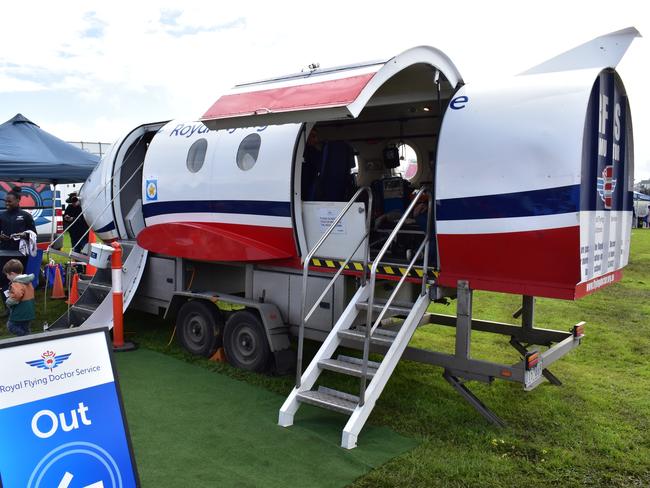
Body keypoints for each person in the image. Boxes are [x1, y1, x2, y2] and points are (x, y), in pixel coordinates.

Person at [0, 188, 37, 317]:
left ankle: (21, 307)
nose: (7, 204)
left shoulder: (26, 215)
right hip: (3, 252)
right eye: (6, 202)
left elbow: (33, 234)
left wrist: (24, 235)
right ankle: (8, 306)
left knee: (19, 280)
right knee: (4, 280)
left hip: (20, 254)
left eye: (9, 201)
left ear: (18, 200)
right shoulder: (1, 215)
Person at [3, 258, 35, 336]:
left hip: (20, 312)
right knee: (25, 327)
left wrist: (9, 301)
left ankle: (26, 336)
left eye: (7, 275)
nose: (7, 277)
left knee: (11, 326)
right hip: (29, 311)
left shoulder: (17, 283)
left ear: (12, 274)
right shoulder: (27, 281)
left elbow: (17, 295)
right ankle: (27, 340)